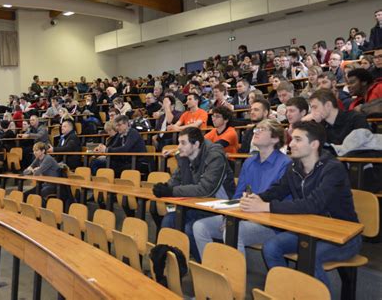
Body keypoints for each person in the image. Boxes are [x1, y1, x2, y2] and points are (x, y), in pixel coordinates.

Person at [241, 121, 361, 289]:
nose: (291, 144)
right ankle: (288, 291)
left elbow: (313, 204)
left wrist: (265, 206)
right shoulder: (294, 167)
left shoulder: (333, 169)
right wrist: (254, 199)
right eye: (292, 139)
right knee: (271, 247)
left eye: (297, 139)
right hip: (308, 231)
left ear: (314, 144)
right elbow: (276, 191)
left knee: (311, 257)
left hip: (343, 235)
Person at [193, 119, 291, 258]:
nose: (256, 132)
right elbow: (238, 195)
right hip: (245, 215)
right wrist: (229, 216)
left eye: (262, 130)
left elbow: (278, 199)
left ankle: (234, 278)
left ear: (275, 138)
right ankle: (214, 272)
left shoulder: (285, 163)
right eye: (256, 129)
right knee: (200, 227)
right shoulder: (249, 162)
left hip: (271, 223)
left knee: (232, 231)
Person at [153, 127, 235, 261]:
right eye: (179, 142)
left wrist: (171, 191)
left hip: (221, 208)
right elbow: (178, 178)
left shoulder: (215, 156)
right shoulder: (185, 155)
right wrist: (165, 187)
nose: (179, 147)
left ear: (196, 144)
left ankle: (206, 266)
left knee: (190, 228)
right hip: (197, 205)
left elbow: (205, 189)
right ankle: (171, 265)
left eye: (183, 143)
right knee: (169, 220)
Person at [305, 89, 370, 145]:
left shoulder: (356, 118)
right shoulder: (320, 125)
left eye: (315, 107)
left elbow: (366, 146)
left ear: (328, 105)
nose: (312, 112)